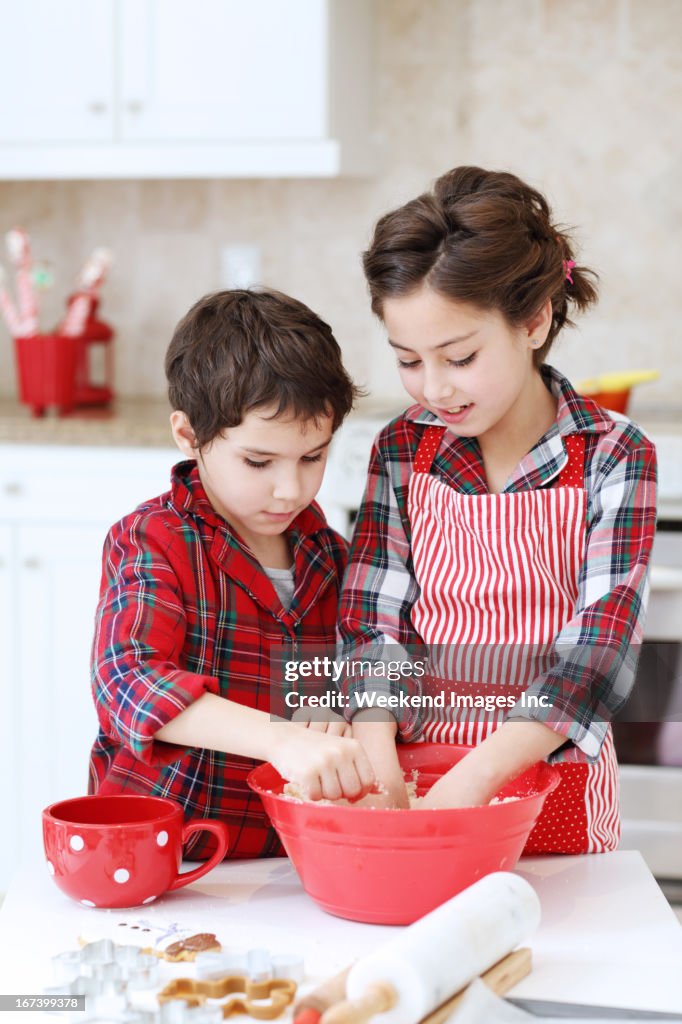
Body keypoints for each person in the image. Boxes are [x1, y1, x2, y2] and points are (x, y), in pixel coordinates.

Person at [338, 166, 657, 853]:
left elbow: (599, 652)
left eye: (458, 357)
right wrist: (381, 762)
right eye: (408, 360)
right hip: (418, 770)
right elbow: (371, 620)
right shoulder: (401, 448)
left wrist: (479, 776)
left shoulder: (614, 455)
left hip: (552, 786)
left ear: (534, 320)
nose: (433, 389)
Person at [90, 289, 374, 860]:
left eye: (312, 457)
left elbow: (361, 683)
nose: (290, 489)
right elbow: (129, 683)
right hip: (168, 855)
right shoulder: (153, 539)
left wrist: (336, 721)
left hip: (288, 863)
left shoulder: (337, 559)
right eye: (258, 462)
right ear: (189, 434)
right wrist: (281, 738)